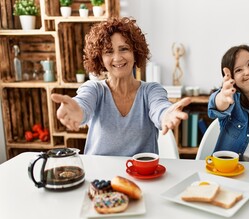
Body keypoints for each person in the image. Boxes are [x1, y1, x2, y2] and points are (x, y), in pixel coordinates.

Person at [51, 17, 191, 156]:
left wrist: (166, 114)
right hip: (100, 174)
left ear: (135, 53)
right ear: (100, 58)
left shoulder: (151, 91)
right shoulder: (94, 89)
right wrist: (77, 111)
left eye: (124, 49)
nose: (117, 58)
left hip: (142, 174)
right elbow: (83, 104)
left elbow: (159, 108)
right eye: (109, 51)